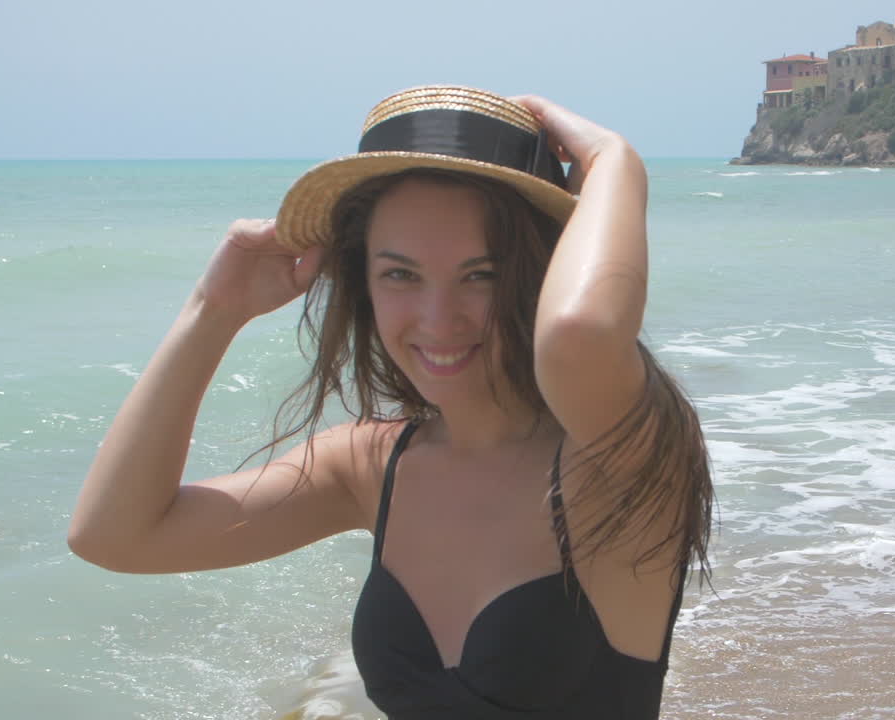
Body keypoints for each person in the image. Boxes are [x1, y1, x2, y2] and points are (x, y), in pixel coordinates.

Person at [69, 85, 713, 718]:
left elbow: (579, 337)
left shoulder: (626, 460)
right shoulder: (370, 464)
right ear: (364, 283)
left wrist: (613, 163)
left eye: (481, 274)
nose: (439, 319)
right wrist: (213, 312)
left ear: (540, 274)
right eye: (401, 274)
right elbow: (114, 538)